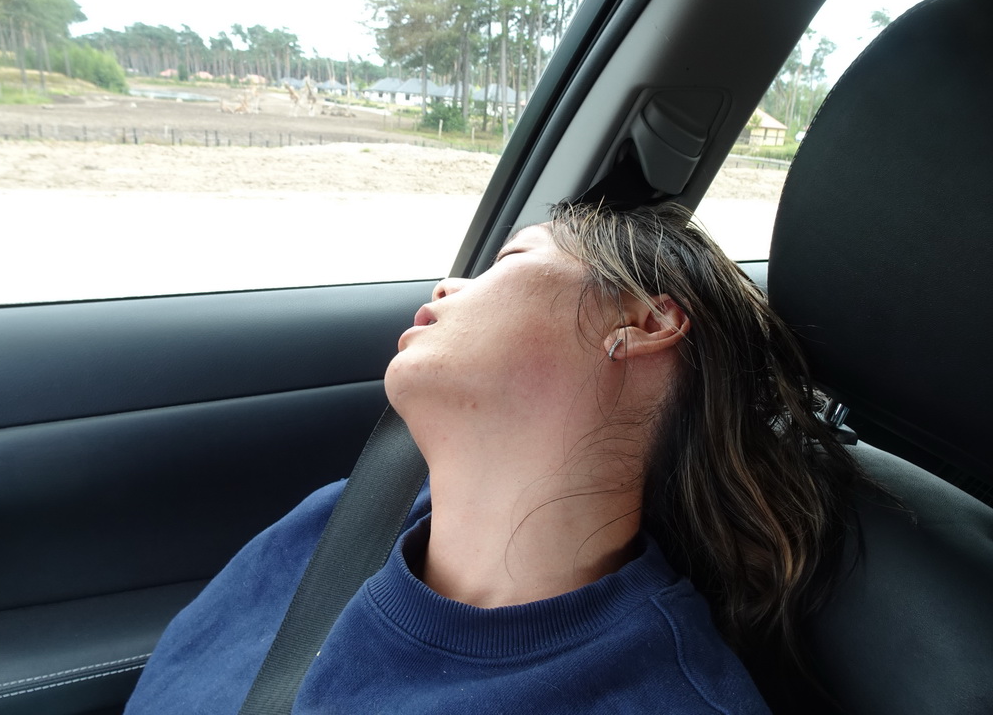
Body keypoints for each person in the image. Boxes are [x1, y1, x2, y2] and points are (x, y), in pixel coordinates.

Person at [126, 199, 861, 713]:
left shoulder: (663, 698)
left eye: (509, 257)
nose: (447, 285)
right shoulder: (329, 526)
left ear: (642, 321)